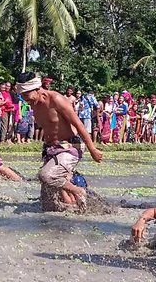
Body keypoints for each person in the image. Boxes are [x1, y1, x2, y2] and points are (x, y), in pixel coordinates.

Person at [15, 72, 103, 212]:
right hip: (51, 148)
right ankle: (70, 212)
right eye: (22, 96)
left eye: (26, 95)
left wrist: (92, 149)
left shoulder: (57, 99)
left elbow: (79, 124)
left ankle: (78, 191)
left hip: (69, 146)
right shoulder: (34, 103)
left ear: (37, 89)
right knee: (48, 205)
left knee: (46, 175)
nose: (25, 100)